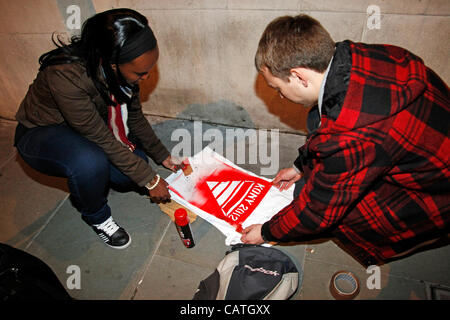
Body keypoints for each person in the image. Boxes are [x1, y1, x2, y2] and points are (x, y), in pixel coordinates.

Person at [241, 14, 450, 266]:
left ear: (298, 76)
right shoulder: (354, 56)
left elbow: (319, 212)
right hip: (428, 144)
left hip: (437, 191)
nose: (281, 97)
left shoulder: (349, 138)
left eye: (277, 88)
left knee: (354, 215)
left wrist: (266, 231)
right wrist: (299, 166)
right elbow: (326, 120)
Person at [14, 9, 178, 249]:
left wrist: (162, 155)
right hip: (43, 132)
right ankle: (98, 217)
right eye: (141, 72)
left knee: (127, 175)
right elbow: (100, 138)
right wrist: (150, 180)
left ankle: (87, 184)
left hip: (87, 128)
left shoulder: (121, 73)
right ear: (112, 63)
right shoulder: (65, 75)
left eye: (150, 68)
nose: (146, 77)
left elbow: (134, 117)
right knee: (89, 162)